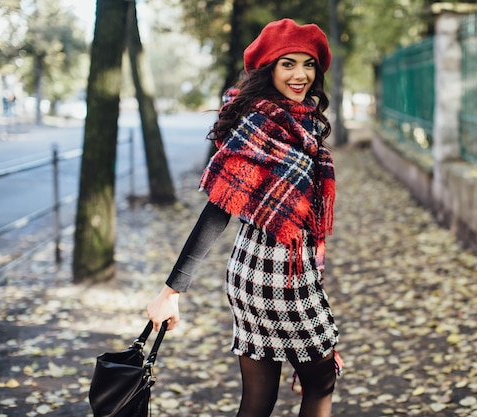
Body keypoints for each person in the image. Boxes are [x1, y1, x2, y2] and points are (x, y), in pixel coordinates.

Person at [146, 18, 343, 417]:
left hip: (251, 274)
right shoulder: (262, 124)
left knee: (259, 396)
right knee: (320, 383)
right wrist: (171, 291)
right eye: (288, 63)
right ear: (268, 67)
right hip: (280, 278)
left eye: (308, 64)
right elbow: (219, 207)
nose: (300, 74)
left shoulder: (297, 120)